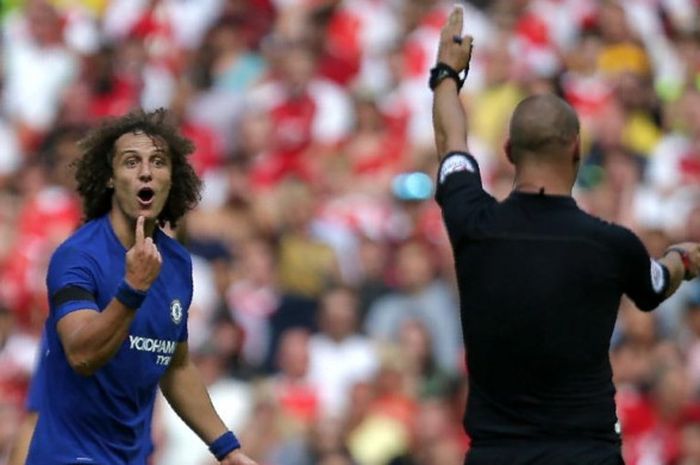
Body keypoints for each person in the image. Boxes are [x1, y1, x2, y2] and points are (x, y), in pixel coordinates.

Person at [431, 7, 700, 465]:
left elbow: (450, 138)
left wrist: (446, 74)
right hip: (586, 455)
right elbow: (658, 283)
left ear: (509, 150)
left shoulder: (474, 223)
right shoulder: (611, 246)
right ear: (577, 147)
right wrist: (685, 259)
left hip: (499, 455)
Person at [24, 109, 258, 465]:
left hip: (131, 456)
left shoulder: (177, 263)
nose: (146, 171)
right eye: (131, 162)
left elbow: (175, 366)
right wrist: (132, 290)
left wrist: (227, 448)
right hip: (69, 455)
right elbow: (82, 355)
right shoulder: (77, 256)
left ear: (170, 178)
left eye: (158, 162)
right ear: (110, 179)